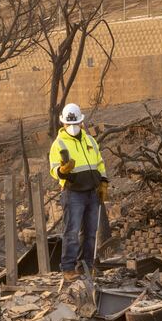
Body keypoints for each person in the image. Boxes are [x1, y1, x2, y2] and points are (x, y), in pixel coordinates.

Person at [49, 102, 108, 282]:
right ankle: (68, 268)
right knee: (72, 231)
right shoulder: (58, 144)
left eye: (76, 124)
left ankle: (86, 266)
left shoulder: (90, 140)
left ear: (81, 122)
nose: (73, 128)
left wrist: (103, 181)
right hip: (73, 193)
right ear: (63, 124)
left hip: (92, 191)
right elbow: (53, 169)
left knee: (90, 232)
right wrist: (62, 171)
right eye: (69, 124)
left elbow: (99, 162)